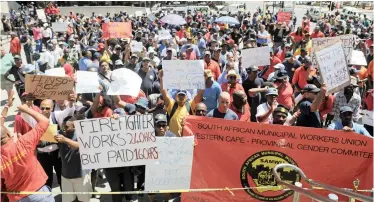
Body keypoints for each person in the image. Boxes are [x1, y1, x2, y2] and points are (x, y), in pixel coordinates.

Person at [1, 103, 54, 202]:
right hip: (39, 194)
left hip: (17, 198)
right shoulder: (24, 142)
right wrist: (26, 109)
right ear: (8, 133)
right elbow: (44, 121)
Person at [54, 116, 93, 202]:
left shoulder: (82, 134)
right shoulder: (61, 133)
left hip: (81, 175)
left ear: (74, 127)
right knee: (68, 200)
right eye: (63, 126)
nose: (64, 129)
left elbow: (79, 146)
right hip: (66, 176)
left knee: (84, 200)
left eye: (66, 127)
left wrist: (65, 140)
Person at [158, 69, 205, 135]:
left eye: (183, 95)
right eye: (179, 95)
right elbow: (164, 92)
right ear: (176, 96)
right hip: (173, 140)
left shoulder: (191, 105)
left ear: (186, 96)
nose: (181, 97)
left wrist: (204, 79)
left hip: (187, 139)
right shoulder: (171, 105)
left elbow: (200, 94)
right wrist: (161, 78)